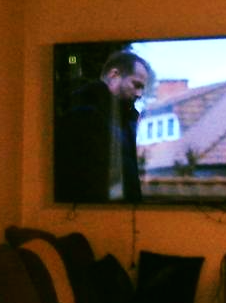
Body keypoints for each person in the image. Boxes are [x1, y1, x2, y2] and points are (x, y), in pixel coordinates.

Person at [55, 50, 153, 203]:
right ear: (114, 76)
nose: (139, 94)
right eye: (136, 85)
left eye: (142, 88)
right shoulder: (84, 117)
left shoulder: (123, 122)